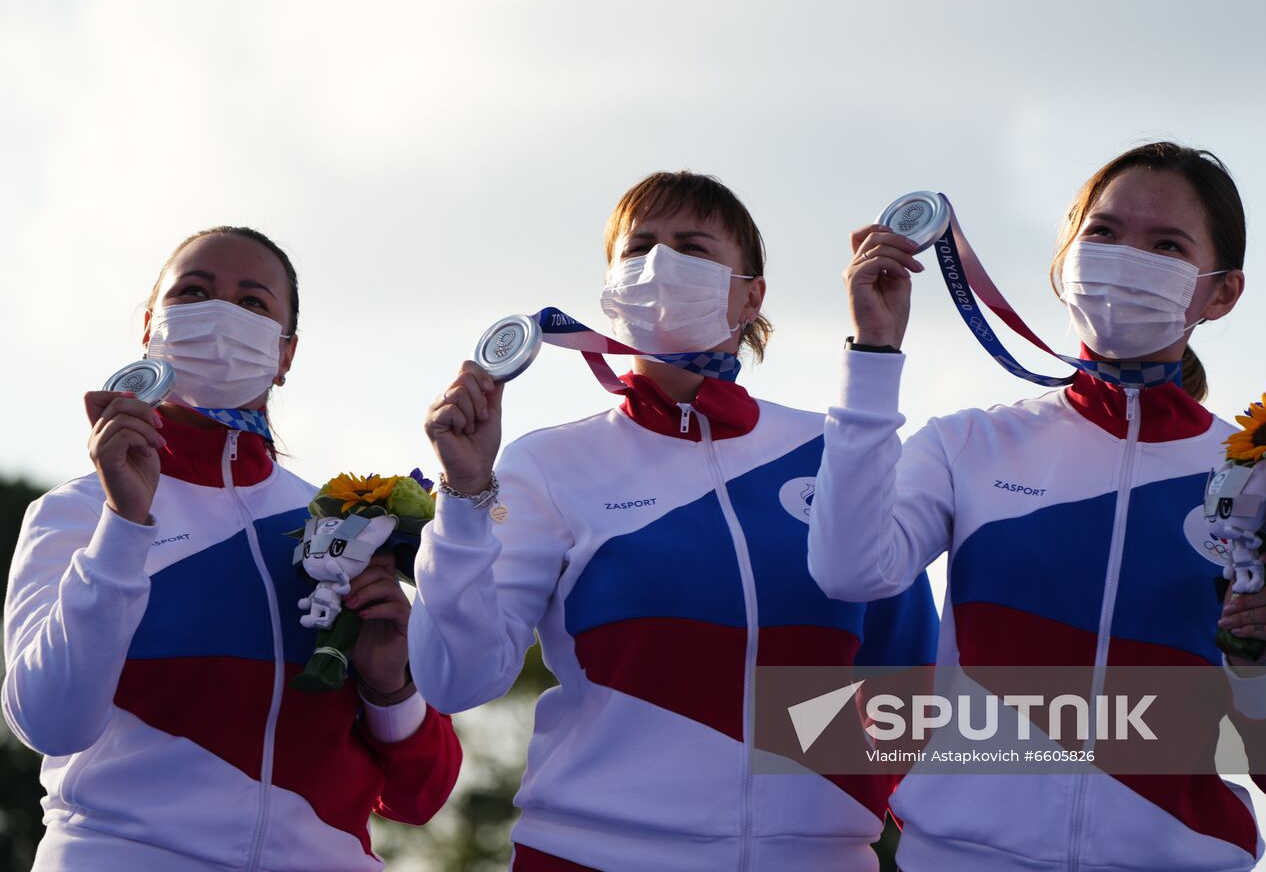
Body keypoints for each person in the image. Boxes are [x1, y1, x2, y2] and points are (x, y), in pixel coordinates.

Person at [808, 142, 1266, 872]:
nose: (1126, 256)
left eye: (1165, 244)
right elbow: (848, 569)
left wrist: (1260, 674)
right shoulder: (968, 443)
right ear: (1064, 260)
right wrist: (874, 357)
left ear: (1220, 293)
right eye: (1102, 232)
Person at [410, 172, 939, 872]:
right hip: (591, 856)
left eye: (691, 246)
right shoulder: (547, 464)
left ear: (751, 296)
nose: (658, 265)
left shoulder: (842, 449)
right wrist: (464, 495)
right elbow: (455, 678)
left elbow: (907, 686)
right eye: (638, 248)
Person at [3, 227, 462, 872]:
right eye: (193, 293)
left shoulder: (343, 526)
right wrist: (124, 525)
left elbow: (421, 796)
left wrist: (391, 686)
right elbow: (50, 723)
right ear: (149, 328)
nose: (220, 315)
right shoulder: (74, 514)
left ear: (285, 354)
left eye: (253, 303)